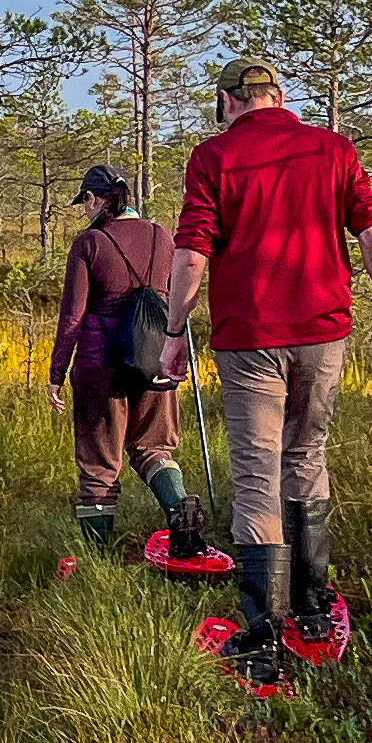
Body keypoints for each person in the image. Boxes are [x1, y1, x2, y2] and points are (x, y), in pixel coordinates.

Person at [165, 58, 372, 693]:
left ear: (228, 101)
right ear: (279, 97)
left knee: (256, 474)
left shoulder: (213, 157)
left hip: (250, 336)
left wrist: (173, 334)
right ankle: (311, 606)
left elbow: (193, 251)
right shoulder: (333, 149)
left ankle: (260, 642)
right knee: (306, 456)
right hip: (323, 331)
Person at [46, 163, 226, 573]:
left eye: (85, 202)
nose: (84, 210)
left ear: (95, 199)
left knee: (99, 465)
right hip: (155, 361)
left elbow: (72, 318)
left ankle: (95, 563)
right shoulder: (163, 237)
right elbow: (182, 289)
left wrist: (57, 374)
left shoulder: (89, 243)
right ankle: (181, 512)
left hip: (100, 369)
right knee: (154, 449)